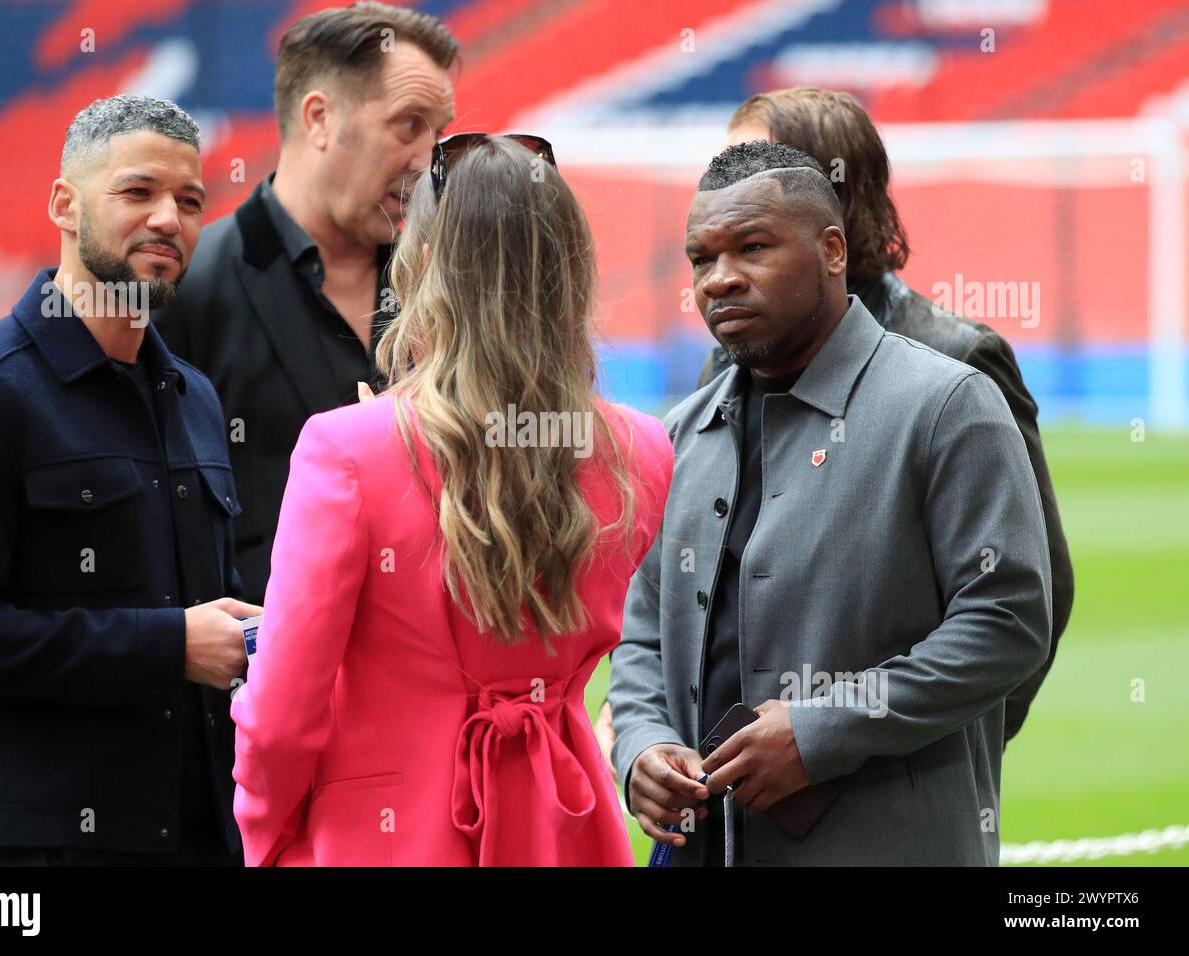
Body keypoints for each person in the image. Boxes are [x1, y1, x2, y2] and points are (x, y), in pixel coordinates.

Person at [230, 136, 674, 866]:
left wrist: (263, 833)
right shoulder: (644, 451)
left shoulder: (345, 451)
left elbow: (280, 719)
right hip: (564, 835)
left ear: (427, 264)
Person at [608, 140, 1051, 866]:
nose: (719, 280)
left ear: (833, 249)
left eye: (752, 247)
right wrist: (641, 746)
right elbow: (643, 637)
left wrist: (822, 731)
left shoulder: (946, 406)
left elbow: (1006, 622)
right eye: (701, 258)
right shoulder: (678, 435)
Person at [0, 95, 261, 865]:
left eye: (190, 201)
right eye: (138, 192)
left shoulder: (194, 396)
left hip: (208, 844)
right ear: (64, 204)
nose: (169, 218)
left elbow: (194, 618)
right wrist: (168, 644)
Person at [155, 2, 459, 605]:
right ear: (318, 117)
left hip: (421, 683)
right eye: (408, 125)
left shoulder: (450, 287)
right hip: (248, 684)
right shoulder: (185, 290)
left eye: (440, 133)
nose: (430, 162)